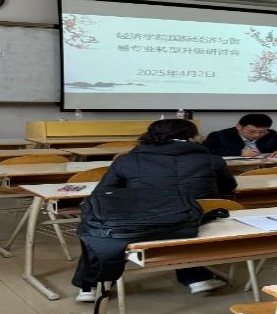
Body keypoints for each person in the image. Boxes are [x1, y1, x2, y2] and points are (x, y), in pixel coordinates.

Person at [73, 119, 236, 301]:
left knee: (94, 228)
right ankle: (196, 277)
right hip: (195, 222)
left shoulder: (127, 160)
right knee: (180, 221)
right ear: (190, 137)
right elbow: (228, 187)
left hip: (143, 223)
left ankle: (90, 286)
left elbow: (103, 193)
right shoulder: (212, 159)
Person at [203, 113, 277, 158]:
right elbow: (205, 151)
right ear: (239, 127)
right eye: (251, 131)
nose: (257, 135)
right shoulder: (220, 135)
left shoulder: (271, 134)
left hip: (263, 169)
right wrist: (239, 152)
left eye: (262, 132)